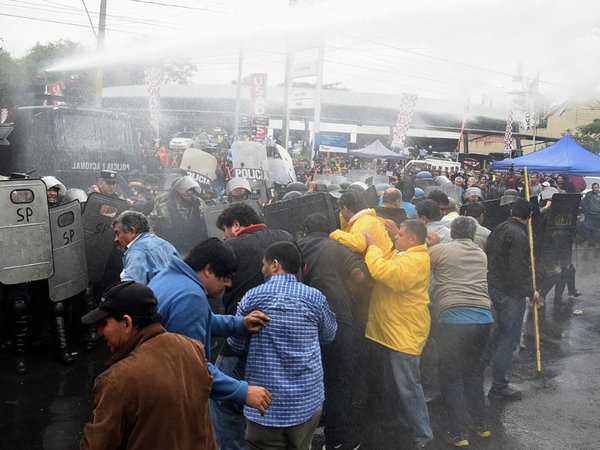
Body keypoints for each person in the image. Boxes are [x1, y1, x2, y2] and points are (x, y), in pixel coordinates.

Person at [147, 238, 273, 425]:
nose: (229, 284)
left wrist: (239, 324)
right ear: (208, 270)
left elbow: (200, 319)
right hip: (169, 399)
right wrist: (243, 391)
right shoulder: (190, 297)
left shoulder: (169, 277)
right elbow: (192, 369)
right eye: (225, 277)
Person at [79, 281, 216, 450]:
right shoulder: (193, 349)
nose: (100, 332)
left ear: (127, 323)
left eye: (104, 324)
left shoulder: (117, 380)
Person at [228, 242, 337, 450]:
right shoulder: (315, 297)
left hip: (264, 407)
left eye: (264, 264)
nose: (262, 270)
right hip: (307, 402)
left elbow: (235, 342)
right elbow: (329, 335)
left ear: (275, 264)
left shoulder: (253, 297)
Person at [212, 203, 298, 450]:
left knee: (223, 398)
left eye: (226, 230)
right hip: (285, 334)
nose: (224, 236)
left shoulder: (230, 247)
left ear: (236, 225)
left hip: (242, 336)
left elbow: (216, 287)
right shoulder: (286, 238)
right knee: (272, 394)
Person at [298, 213, 369, 450]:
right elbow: (360, 275)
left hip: (303, 323)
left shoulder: (295, 248)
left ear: (305, 230)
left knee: (303, 380)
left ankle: (301, 439)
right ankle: (336, 440)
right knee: (338, 380)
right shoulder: (336, 247)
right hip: (338, 318)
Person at [362, 219, 433, 449]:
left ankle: (424, 435)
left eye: (400, 235)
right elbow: (393, 259)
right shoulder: (409, 255)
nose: (396, 237)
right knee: (403, 385)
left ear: (412, 239)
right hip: (397, 330)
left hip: (405, 333)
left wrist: (372, 246)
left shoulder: (415, 260)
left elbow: (385, 272)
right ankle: (409, 425)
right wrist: (393, 235)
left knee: (409, 387)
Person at [428, 217, 493, 447]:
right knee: (473, 372)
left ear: (452, 232)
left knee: (451, 375)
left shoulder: (440, 251)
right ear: (473, 234)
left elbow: (420, 262)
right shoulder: (480, 254)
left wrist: (432, 243)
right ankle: (481, 424)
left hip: (453, 318)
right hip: (484, 318)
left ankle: (458, 432)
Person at [482, 198, 541, 400]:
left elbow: (490, 254)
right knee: (509, 339)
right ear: (529, 217)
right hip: (510, 293)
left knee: (499, 332)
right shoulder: (519, 235)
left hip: (495, 286)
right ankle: (499, 385)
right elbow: (517, 269)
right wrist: (530, 291)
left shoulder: (499, 228)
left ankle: (479, 368)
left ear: (512, 211)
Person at [112, 211, 180, 285]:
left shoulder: (136, 252)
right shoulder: (166, 244)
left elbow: (131, 291)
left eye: (118, 233)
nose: (116, 239)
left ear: (132, 232)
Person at [149, 175, 207, 256]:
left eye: (191, 190)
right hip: (172, 252)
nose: (189, 193)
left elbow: (208, 223)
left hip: (195, 251)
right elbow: (151, 226)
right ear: (177, 192)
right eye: (186, 190)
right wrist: (157, 246)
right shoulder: (164, 207)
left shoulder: (199, 203)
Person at [330, 190, 393, 255]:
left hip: (377, 262)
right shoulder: (369, 218)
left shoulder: (362, 222)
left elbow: (358, 245)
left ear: (345, 209)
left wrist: (335, 233)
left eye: (341, 210)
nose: (341, 214)